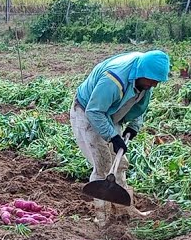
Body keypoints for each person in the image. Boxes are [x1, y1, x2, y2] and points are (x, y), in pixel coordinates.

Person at [71, 50, 171, 227]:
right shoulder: (113, 80)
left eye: (157, 82)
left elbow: (139, 103)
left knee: (120, 163)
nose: (154, 85)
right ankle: (101, 217)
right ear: (142, 73)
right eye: (152, 80)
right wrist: (113, 137)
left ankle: (124, 210)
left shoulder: (144, 80)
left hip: (111, 113)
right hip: (88, 112)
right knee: (103, 165)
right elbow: (94, 111)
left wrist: (133, 126)